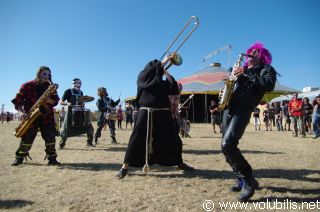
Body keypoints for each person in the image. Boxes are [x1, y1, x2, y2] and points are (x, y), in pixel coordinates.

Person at [116, 59, 194, 179]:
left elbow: (174, 89)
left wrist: (166, 73)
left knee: (173, 138)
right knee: (136, 139)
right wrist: (164, 62)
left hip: (163, 114)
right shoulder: (142, 79)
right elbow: (148, 75)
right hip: (145, 113)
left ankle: (179, 163)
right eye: (157, 68)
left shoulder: (162, 83)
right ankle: (124, 167)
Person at [221, 42, 277, 201]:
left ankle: (248, 181)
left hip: (244, 108)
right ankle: (240, 178)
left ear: (262, 56)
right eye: (251, 51)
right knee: (225, 147)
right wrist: (231, 79)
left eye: (256, 52)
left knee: (228, 144)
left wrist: (246, 73)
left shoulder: (266, 70)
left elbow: (268, 85)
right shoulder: (241, 70)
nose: (252, 53)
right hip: (229, 108)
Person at [11, 66, 60, 166]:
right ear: (38, 74)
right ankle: (19, 158)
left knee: (50, 137)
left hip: (47, 116)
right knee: (27, 139)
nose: (46, 76)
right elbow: (18, 101)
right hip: (31, 115)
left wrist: (50, 100)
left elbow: (56, 100)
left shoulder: (51, 88)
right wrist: (21, 112)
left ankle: (52, 159)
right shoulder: (26, 85)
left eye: (48, 74)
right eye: (44, 74)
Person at [59, 78, 95, 149]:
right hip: (70, 112)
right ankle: (61, 144)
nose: (79, 86)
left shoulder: (81, 92)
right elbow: (61, 102)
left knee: (89, 127)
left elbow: (81, 101)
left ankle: (89, 142)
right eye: (78, 84)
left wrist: (82, 104)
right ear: (74, 84)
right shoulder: (68, 91)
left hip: (80, 111)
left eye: (80, 84)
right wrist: (67, 103)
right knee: (66, 129)